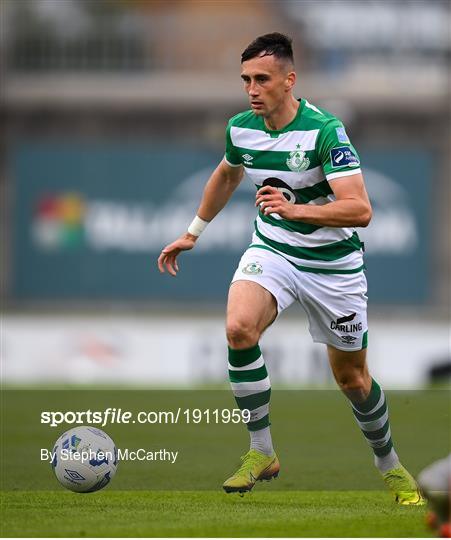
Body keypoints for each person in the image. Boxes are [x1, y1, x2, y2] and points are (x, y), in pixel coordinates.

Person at [158, 32, 424, 505]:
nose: (252, 89)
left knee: (353, 381)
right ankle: (261, 451)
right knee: (239, 329)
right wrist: (193, 231)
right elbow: (227, 173)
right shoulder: (241, 128)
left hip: (333, 266)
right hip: (273, 251)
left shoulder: (325, 131)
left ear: (289, 80)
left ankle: (389, 464)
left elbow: (359, 210)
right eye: (245, 80)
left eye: (262, 79)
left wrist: (296, 209)